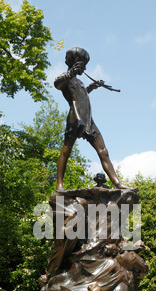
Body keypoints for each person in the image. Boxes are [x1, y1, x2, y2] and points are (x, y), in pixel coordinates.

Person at [54, 46, 129, 191]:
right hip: (75, 118)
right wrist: (72, 71)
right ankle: (59, 185)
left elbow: (82, 95)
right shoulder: (67, 78)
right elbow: (57, 84)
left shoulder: (79, 82)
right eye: (83, 64)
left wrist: (92, 87)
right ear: (75, 62)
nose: (85, 68)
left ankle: (117, 183)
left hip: (88, 120)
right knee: (66, 151)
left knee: (103, 150)